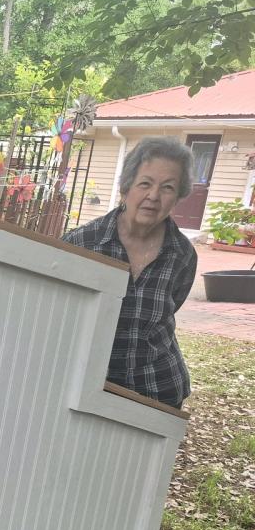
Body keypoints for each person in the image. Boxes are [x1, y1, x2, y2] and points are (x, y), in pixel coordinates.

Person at [63, 136, 197, 408]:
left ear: (177, 197)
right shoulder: (80, 244)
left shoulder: (182, 255)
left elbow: (172, 308)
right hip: (85, 388)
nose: (154, 196)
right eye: (145, 183)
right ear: (126, 188)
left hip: (157, 389)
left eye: (168, 187)